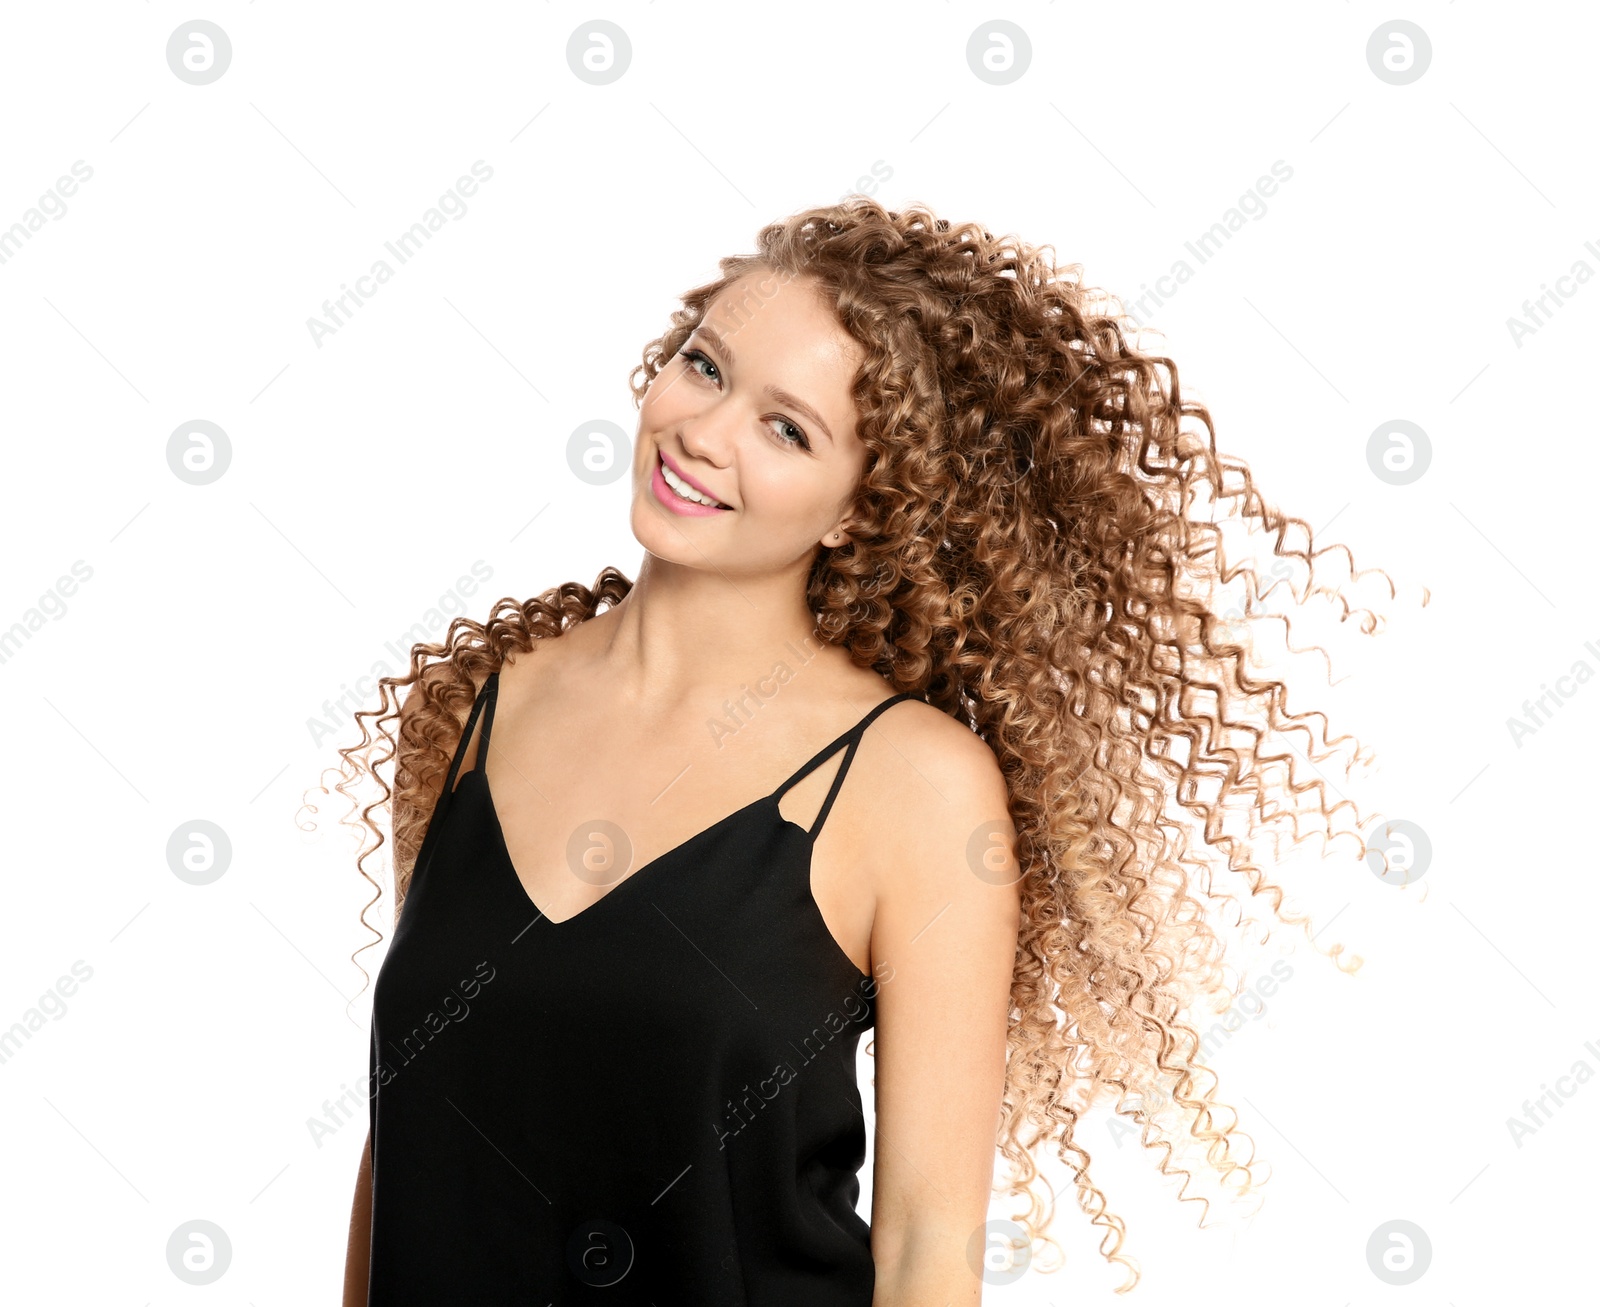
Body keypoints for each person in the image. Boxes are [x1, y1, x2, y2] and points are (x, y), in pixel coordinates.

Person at [314, 197, 1399, 1303]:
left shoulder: (909, 786)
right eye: (705, 368)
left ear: (857, 507)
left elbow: (930, 1246)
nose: (705, 432)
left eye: (787, 429)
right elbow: (407, 1128)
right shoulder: (477, 710)